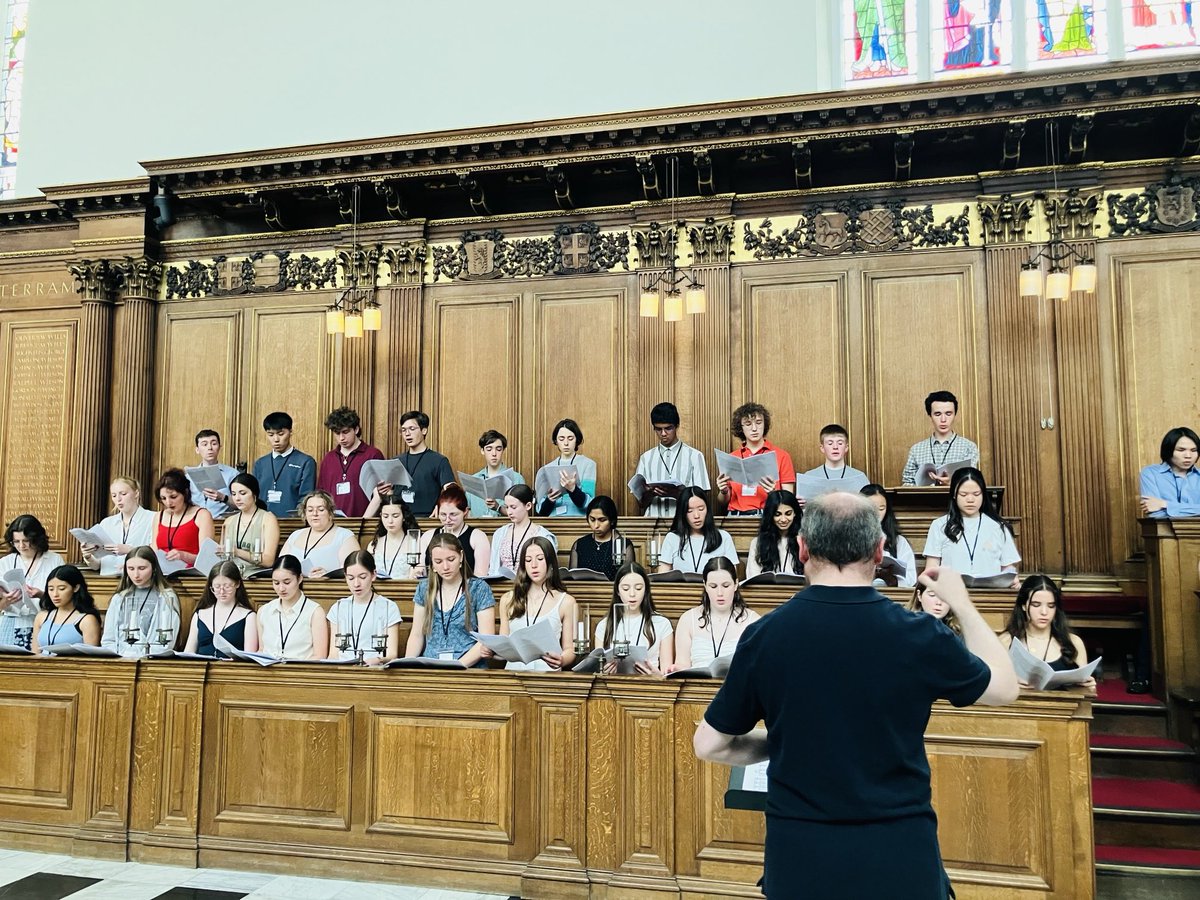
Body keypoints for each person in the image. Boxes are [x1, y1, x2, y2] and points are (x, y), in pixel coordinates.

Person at [693, 492, 1019, 898]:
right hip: (899, 854)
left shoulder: (765, 636)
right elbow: (1004, 688)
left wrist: (785, 741)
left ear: (802, 548)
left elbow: (709, 744)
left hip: (801, 859)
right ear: (880, 551)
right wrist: (963, 604)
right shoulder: (919, 634)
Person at [406, 533, 496, 666]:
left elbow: (485, 639)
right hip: (431, 668)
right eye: (438, 562)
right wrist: (407, 664)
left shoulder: (479, 588)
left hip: (468, 668)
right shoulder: (424, 588)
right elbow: (417, 635)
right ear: (432, 563)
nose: (445, 567)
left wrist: (457, 666)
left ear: (461, 556)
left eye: (451, 559)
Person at [922, 468, 1020, 587]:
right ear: (954, 495)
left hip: (990, 594)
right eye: (963, 494)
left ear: (983, 494)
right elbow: (931, 568)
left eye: (976, 494)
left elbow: (1008, 569)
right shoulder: (939, 525)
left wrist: (1013, 581)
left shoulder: (998, 527)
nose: (970, 500)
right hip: (951, 592)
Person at [1000, 575, 1096, 689]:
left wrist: (1089, 686)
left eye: (1051, 606)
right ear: (1024, 605)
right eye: (1036, 605)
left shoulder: (1074, 642)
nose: (1044, 612)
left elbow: (1084, 691)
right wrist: (1008, 682)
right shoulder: (1006, 641)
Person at [498, 536, 578, 671]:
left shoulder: (566, 601)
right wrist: (491, 651)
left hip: (547, 674)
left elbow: (570, 649)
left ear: (550, 562)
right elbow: (503, 645)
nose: (533, 565)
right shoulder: (507, 599)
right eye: (528, 560)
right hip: (514, 673)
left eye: (540, 559)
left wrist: (562, 660)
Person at [671, 558, 760, 670]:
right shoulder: (688, 619)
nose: (720, 593)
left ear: (736, 584)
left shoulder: (753, 620)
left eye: (726, 586)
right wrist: (674, 670)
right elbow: (682, 664)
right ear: (705, 585)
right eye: (713, 586)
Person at [633, 402, 710, 519]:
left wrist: (677, 494)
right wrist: (650, 493)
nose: (663, 434)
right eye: (658, 429)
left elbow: (702, 499)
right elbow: (641, 504)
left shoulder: (695, 456)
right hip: (652, 522)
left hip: (683, 522)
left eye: (668, 428)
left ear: (677, 426)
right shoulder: (646, 458)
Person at [716, 402, 796, 516]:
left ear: (764, 424)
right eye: (748, 424)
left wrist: (773, 493)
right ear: (741, 428)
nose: (754, 429)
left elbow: (789, 500)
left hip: (768, 516)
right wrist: (723, 491)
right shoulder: (732, 458)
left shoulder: (782, 456)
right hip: (735, 517)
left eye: (758, 423)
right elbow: (722, 502)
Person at [101, 546, 182, 657]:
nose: (136, 575)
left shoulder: (167, 597)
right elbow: (108, 639)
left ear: (154, 568)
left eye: (142, 568)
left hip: (151, 661)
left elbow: (165, 643)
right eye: (131, 569)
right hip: (121, 660)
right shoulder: (119, 598)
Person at [595, 561, 673, 674]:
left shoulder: (661, 623)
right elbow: (599, 668)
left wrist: (656, 676)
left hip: (650, 683)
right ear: (617, 591)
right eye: (626, 589)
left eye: (638, 588)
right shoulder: (604, 625)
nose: (632, 594)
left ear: (646, 590)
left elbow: (667, 674)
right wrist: (604, 671)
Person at [1, 515, 66, 649]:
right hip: (11, 622)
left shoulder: (54, 560)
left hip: (45, 622)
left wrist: (41, 595)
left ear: (36, 538)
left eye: (26, 541)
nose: (21, 546)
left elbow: (67, 597)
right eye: (16, 541)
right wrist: (6, 600)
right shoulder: (5, 562)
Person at [326, 550, 402, 662]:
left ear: (373, 575)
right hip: (343, 668)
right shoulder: (338, 607)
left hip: (374, 667)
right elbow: (334, 654)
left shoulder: (388, 607)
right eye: (351, 578)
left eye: (362, 577)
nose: (356, 584)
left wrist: (378, 660)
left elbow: (392, 655)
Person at [380, 410, 456, 517]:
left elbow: (452, 490)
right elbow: (390, 493)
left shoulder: (439, 460)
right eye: (403, 430)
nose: (407, 434)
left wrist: (442, 505)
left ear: (424, 430)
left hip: (427, 519)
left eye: (412, 429)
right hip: (399, 519)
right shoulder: (396, 461)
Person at [901, 390, 980, 486]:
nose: (943, 420)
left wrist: (951, 484)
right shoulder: (916, 450)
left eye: (948, 414)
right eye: (937, 414)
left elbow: (971, 483)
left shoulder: (969, 447)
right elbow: (907, 483)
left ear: (955, 414)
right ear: (930, 415)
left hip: (955, 496)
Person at [79, 476, 156, 576]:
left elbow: (156, 555)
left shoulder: (153, 518)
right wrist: (88, 556)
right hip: (108, 579)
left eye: (123, 494)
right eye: (114, 495)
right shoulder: (106, 523)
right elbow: (97, 565)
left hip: (138, 578)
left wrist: (130, 550)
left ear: (136, 493)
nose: (118, 499)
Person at [316, 406, 384, 517]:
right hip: (333, 522)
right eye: (337, 433)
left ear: (356, 429)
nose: (341, 438)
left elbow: (381, 494)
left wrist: (364, 521)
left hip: (365, 521)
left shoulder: (373, 455)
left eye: (345, 432)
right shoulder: (329, 458)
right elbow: (321, 494)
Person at [256, 554, 327, 659]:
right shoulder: (264, 611)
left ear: (300, 578)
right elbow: (262, 649)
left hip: (300, 668)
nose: (281, 588)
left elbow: (319, 656)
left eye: (287, 582)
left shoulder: (314, 612)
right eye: (276, 583)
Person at [185, 561, 258, 658]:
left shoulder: (249, 616)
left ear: (237, 584)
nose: (222, 592)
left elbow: (250, 657)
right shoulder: (199, 614)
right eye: (217, 587)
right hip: (201, 666)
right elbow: (188, 653)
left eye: (227, 586)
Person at [279, 491, 360, 577]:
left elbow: (353, 571)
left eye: (321, 510)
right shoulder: (295, 535)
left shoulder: (344, 536)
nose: (315, 514)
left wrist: (328, 575)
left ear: (330, 512)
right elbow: (280, 566)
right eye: (310, 510)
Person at [251, 411, 317, 518]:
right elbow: (253, 495)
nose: (276, 439)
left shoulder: (305, 462)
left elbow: (306, 497)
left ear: (290, 432)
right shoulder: (260, 464)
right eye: (271, 435)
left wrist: (295, 518)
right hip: (262, 520)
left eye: (281, 434)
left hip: (292, 521)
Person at [658, 487, 738, 575]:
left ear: (707, 509)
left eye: (701, 509)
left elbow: (733, 576)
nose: (696, 516)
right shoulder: (672, 538)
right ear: (682, 513)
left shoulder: (724, 537)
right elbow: (662, 575)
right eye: (689, 511)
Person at [417, 484, 491, 577]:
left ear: (465, 511)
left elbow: (480, 576)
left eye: (453, 514)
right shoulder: (428, 536)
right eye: (443, 514)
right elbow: (420, 570)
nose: (448, 520)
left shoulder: (477, 537)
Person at [488, 485, 558, 575]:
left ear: (528, 506)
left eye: (513, 507)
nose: (509, 512)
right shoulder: (500, 533)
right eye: (507, 507)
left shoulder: (543, 535)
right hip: (502, 582)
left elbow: (550, 569)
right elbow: (493, 568)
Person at [31, 565, 102, 652]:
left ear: (76, 588)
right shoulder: (41, 616)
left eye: (61, 589)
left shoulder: (87, 620)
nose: (55, 594)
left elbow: (92, 657)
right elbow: (35, 653)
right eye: (51, 589)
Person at [154, 468, 216, 568]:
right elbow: (154, 551)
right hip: (162, 572)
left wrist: (183, 556)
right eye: (163, 498)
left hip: (190, 573)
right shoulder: (159, 516)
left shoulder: (202, 515)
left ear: (185, 493)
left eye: (173, 497)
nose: (168, 503)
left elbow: (206, 558)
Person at [219, 473, 280, 574]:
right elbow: (223, 557)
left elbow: (268, 561)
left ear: (254, 494)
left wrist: (237, 552)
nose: (237, 498)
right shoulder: (229, 521)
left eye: (242, 493)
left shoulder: (268, 519)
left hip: (256, 575)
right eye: (233, 494)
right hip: (231, 574)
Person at [535, 418, 597, 517]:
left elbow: (589, 504)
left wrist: (573, 489)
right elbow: (541, 511)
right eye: (561, 439)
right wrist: (550, 499)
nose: (566, 443)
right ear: (556, 441)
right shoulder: (547, 468)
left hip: (578, 521)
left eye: (570, 438)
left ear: (577, 440)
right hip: (553, 522)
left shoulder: (588, 464)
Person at [861, 483, 917, 588]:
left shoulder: (898, 541)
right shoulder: (849, 539)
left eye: (881, 509)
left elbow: (911, 577)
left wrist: (892, 579)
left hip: (891, 593)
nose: (877, 514)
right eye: (871, 509)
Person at [1139, 426, 1200, 517]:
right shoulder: (1150, 473)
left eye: (1193, 450)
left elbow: (1160, 510)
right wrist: (1194, 510)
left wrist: (1165, 504)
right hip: (1162, 527)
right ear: (1168, 450)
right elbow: (1156, 514)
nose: (1188, 455)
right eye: (1181, 450)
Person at [569, 496, 636, 579]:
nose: (596, 525)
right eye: (592, 519)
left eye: (602, 520)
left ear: (612, 520)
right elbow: (571, 579)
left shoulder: (624, 545)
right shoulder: (579, 544)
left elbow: (628, 579)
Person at [466, 429, 526, 519]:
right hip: (479, 526)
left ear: (503, 450)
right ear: (482, 451)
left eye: (498, 449)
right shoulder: (473, 480)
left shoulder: (516, 478)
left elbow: (523, 512)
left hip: (507, 526)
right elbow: (468, 512)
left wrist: (499, 508)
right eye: (489, 449)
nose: (494, 454)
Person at [745, 490, 803, 578]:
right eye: (777, 514)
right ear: (770, 515)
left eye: (788, 514)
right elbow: (752, 577)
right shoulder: (757, 543)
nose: (783, 519)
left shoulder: (804, 540)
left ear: (795, 513)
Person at [187, 429, 240, 518]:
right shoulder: (188, 477)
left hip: (222, 522)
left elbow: (243, 503)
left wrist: (223, 497)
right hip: (196, 522)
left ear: (219, 447)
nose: (210, 448)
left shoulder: (232, 474)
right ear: (197, 450)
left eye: (214, 444)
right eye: (204, 444)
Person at [367, 494, 421, 579]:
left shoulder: (414, 543)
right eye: (385, 516)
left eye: (395, 516)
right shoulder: (373, 545)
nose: (390, 521)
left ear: (404, 516)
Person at [800, 424, 868, 488]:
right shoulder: (809, 477)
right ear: (822, 448)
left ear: (846, 447)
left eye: (840, 443)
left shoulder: (860, 477)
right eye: (830, 443)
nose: (835, 447)